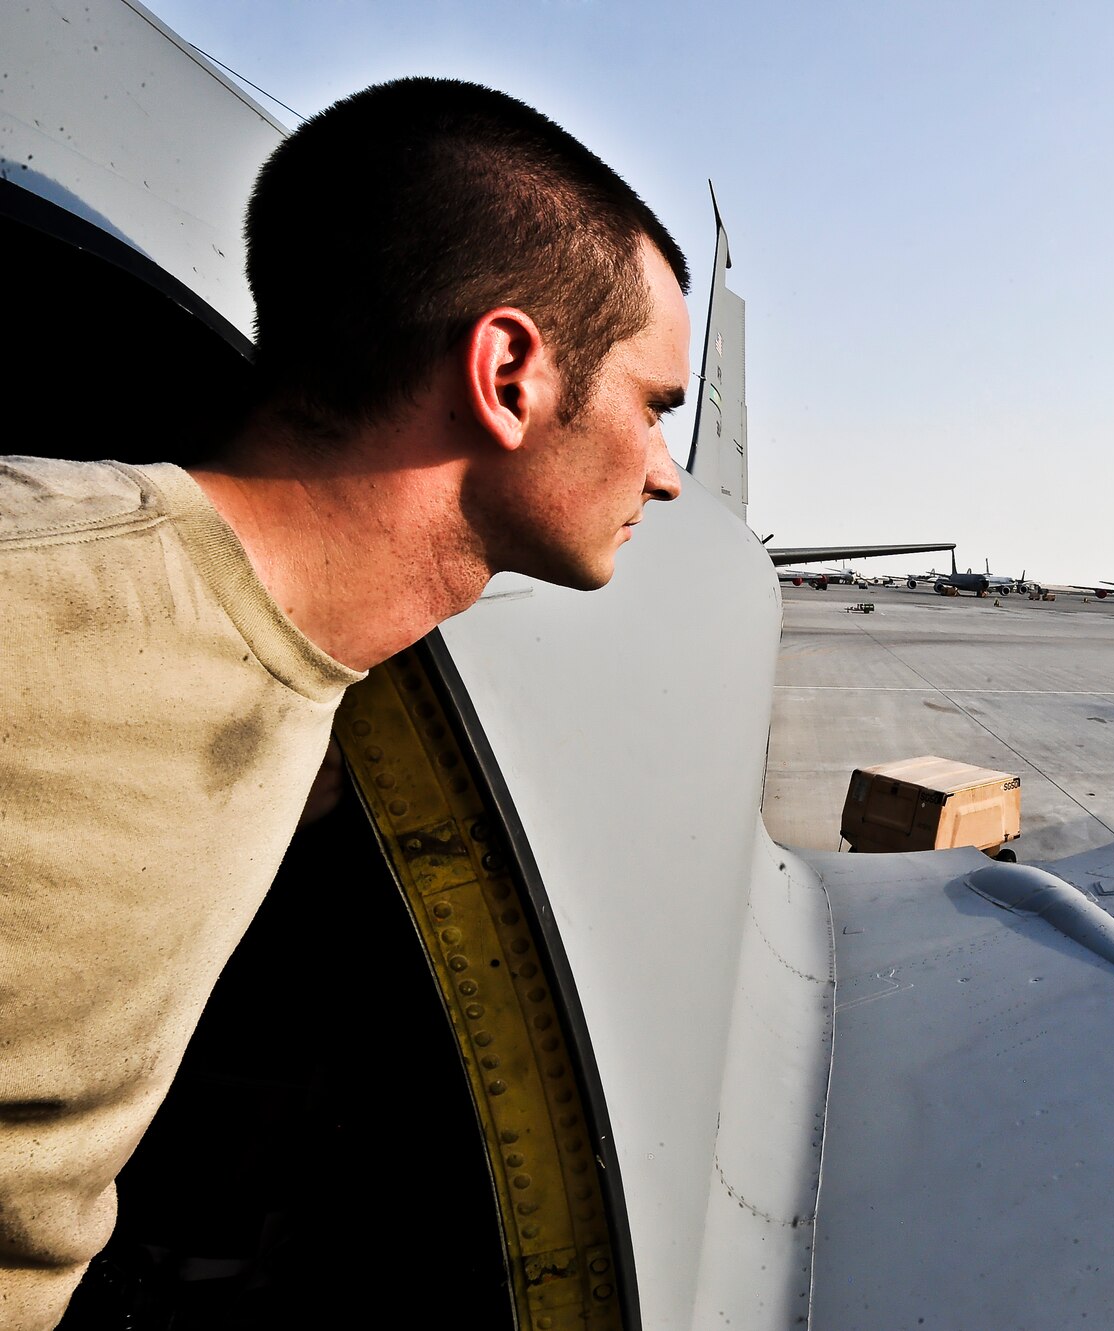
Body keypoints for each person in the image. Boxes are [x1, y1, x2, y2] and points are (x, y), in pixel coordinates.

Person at [0, 77, 688, 1330]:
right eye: (653, 406)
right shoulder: (33, 601)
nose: (668, 473)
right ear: (510, 372)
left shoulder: (311, 675)